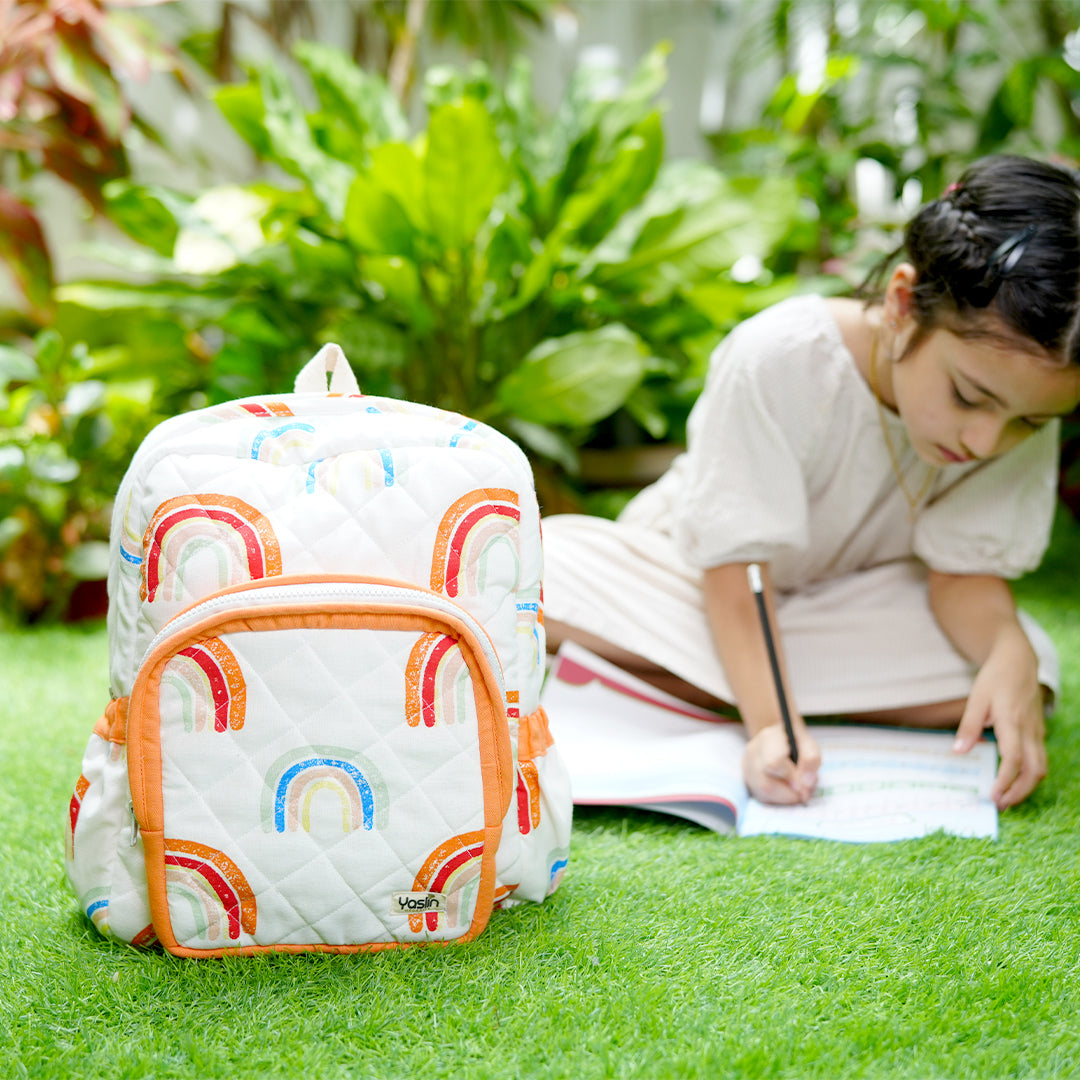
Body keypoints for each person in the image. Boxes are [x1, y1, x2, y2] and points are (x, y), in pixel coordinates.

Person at [542, 154, 1080, 811]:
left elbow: (963, 577)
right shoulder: (781, 354)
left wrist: (1003, 649)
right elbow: (735, 569)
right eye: (968, 396)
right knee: (542, 566)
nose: (986, 441)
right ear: (903, 302)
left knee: (1033, 661)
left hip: (845, 606)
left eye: (1026, 421)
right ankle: (743, 690)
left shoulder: (1023, 406)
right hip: (693, 587)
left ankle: (664, 680)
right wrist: (773, 726)